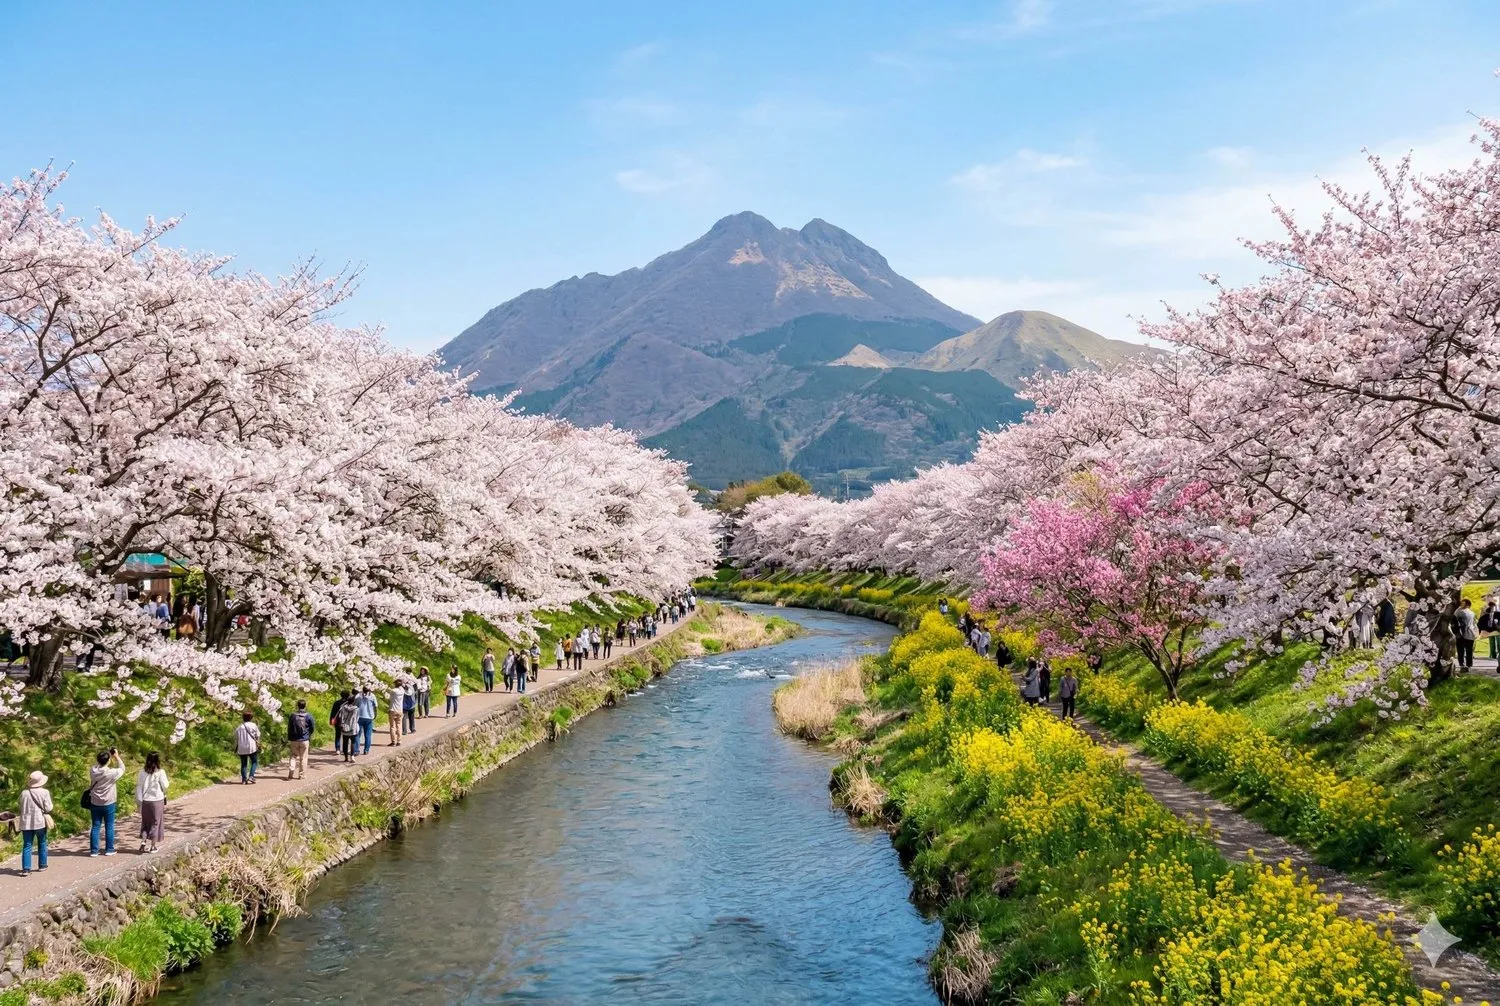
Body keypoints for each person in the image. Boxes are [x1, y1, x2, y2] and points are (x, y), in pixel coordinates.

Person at [87, 748, 126, 856]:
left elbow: (97, 764)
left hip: (95, 801)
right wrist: (116, 756)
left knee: (95, 826)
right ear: (108, 761)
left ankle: (94, 851)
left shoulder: (93, 770)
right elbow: (122, 768)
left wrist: (103, 759)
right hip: (109, 802)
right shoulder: (112, 773)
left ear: (97, 760)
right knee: (109, 825)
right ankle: (109, 849)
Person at [19, 770, 52, 876]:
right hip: (40, 822)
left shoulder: (24, 793)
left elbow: (20, 806)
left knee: (27, 845)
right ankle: (42, 865)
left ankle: (26, 869)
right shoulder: (44, 792)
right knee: (42, 842)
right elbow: (48, 807)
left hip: (26, 823)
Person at [135, 752, 169, 852]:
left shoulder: (142, 772)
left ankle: (143, 842)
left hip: (145, 800)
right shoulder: (160, 772)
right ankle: (152, 846)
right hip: (157, 800)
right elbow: (165, 785)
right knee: (155, 822)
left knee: (145, 822)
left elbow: (139, 786)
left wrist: (139, 801)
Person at [286, 699, 314, 780]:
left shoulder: (293, 715)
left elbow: (289, 727)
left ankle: (291, 771)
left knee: (293, 756)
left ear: (297, 706)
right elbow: (312, 727)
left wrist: (290, 738)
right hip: (304, 739)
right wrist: (308, 735)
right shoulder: (308, 716)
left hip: (294, 739)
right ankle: (301, 775)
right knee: (303, 758)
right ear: (305, 706)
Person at [235, 712, 262, 782]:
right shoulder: (253, 725)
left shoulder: (239, 727)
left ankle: (244, 779)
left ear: (243, 718)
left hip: (242, 747)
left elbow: (237, 739)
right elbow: (258, 735)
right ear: (251, 718)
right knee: (254, 762)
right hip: (251, 747)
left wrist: (235, 747)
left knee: (244, 764)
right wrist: (258, 744)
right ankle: (251, 776)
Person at [1455, 598, 1479, 671]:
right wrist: (1476, 633)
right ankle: (1469, 664)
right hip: (1470, 633)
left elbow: (1454, 619)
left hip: (1461, 633)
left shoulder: (1459, 611)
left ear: (1467, 605)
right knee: (1469, 650)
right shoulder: (1472, 613)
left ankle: (1462, 664)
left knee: (1460, 650)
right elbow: (1475, 624)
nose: (1461, 604)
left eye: (1463, 603)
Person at [335, 695, 360, 761]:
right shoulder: (356, 709)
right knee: (353, 742)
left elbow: (340, 717)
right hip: (353, 727)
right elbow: (357, 718)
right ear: (354, 701)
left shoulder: (342, 708)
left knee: (345, 742)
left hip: (344, 727)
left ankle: (346, 757)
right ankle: (352, 756)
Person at [356, 686, 378, 755]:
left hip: (360, 717)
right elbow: (375, 706)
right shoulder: (372, 696)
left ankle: (356, 750)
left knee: (357, 734)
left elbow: (355, 705)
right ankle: (366, 750)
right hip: (369, 718)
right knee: (368, 735)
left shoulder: (359, 696)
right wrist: (375, 714)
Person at [388, 679, 405, 746]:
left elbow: (389, 696)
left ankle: (393, 741)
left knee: (392, 726)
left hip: (393, 710)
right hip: (400, 710)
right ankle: (399, 741)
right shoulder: (402, 691)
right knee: (399, 725)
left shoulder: (393, 691)